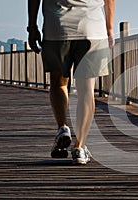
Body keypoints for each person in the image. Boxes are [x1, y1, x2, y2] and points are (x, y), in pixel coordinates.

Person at [27, 0, 115, 165]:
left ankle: (63, 127)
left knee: (58, 82)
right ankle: (79, 147)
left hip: (57, 27)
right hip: (92, 27)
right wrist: (109, 29)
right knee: (86, 90)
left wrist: (32, 27)